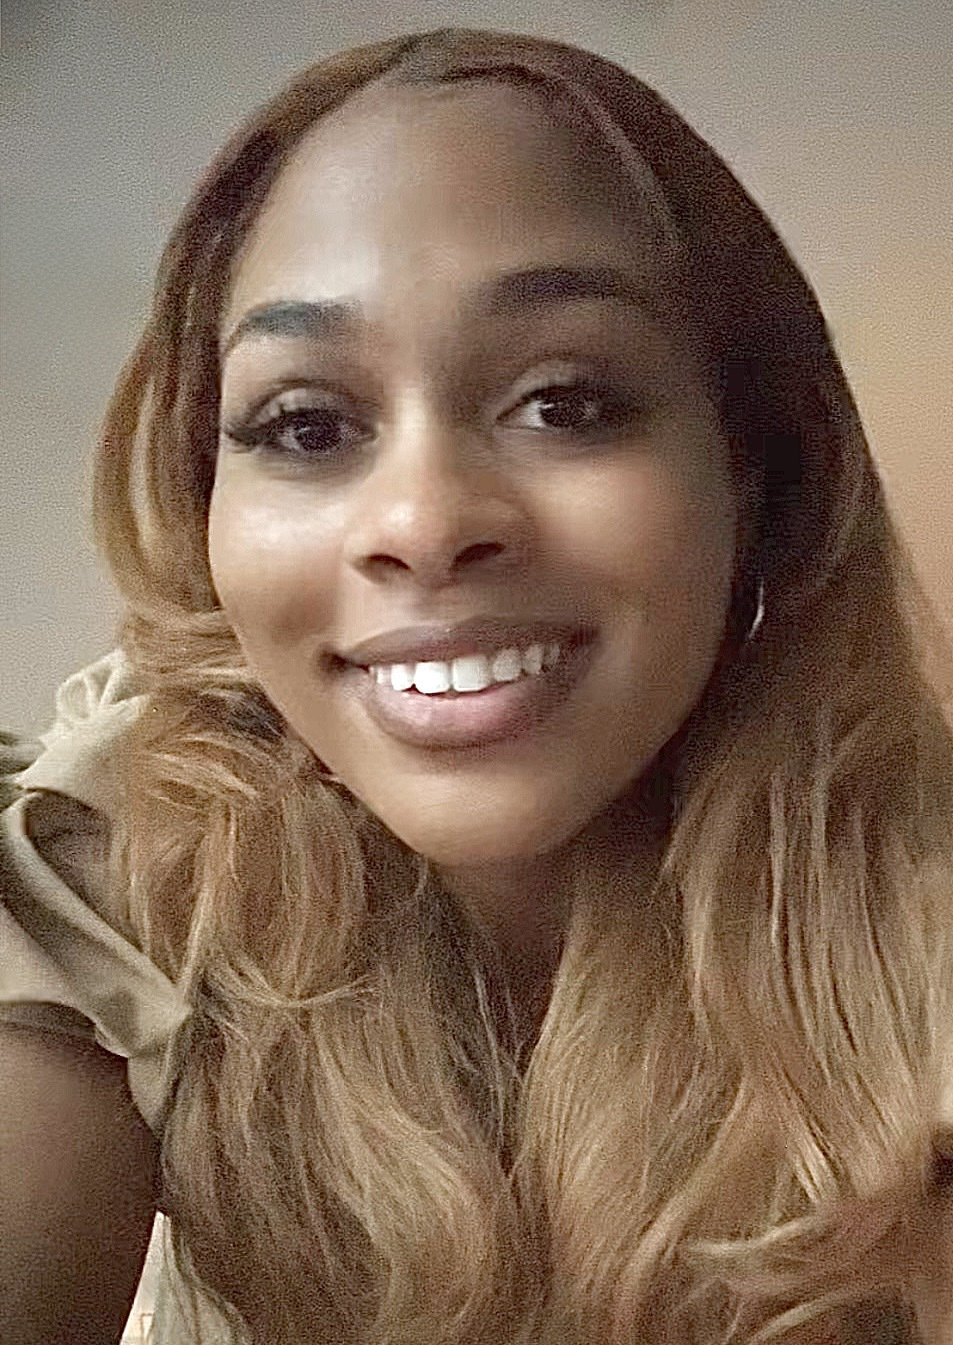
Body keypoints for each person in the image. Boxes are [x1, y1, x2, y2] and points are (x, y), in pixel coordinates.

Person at [1, 25, 951, 1345]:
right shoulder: (112, 857)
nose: (425, 521)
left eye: (565, 402)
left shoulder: (915, 911)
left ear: (756, 470)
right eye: (306, 426)